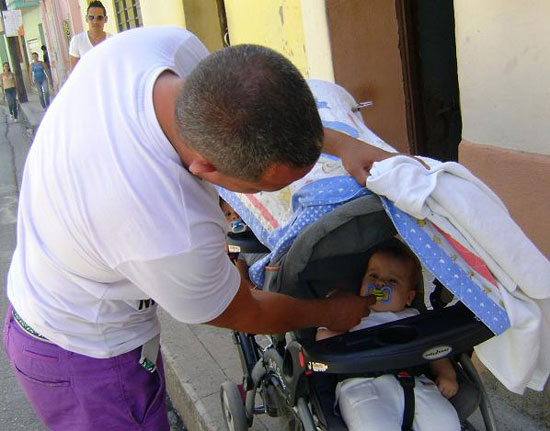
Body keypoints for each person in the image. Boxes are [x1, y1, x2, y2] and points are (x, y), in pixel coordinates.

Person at [3, 27, 397, 430]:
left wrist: (344, 144)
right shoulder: (168, 229)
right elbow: (248, 311)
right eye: (264, 188)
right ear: (205, 170)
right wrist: (331, 310)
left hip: (54, 284)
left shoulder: (161, 49)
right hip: (85, 355)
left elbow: (252, 112)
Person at [317, 242, 461, 431]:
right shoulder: (352, 315)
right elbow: (323, 341)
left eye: (392, 281)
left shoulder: (413, 317)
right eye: (373, 276)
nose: (380, 284)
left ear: (409, 298)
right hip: (365, 385)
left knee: (445, 422)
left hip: (416, 384)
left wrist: (447, 374)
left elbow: (434, 348)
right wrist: (334, 320)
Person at [69, 1, 111, 72]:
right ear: (86, 19)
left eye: (99, 18)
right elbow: (74, 72)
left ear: (105, 19)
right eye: (91, 17)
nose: (95, 21)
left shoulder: (112, 40)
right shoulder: (77, 41)